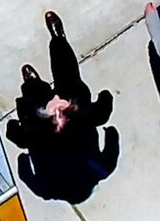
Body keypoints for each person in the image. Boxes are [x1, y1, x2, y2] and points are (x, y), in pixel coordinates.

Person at [7, 11, 113, 151]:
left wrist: (14, 127)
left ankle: (33, 83)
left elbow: (22, 139)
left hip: (46, 133)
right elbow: (101, 114)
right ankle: (58, 39)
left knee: (35, 98)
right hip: (76, 119)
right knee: (67, 74)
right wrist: (105, 98)